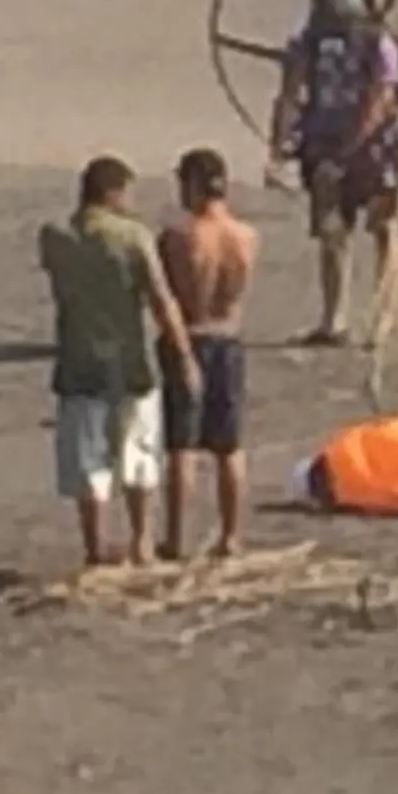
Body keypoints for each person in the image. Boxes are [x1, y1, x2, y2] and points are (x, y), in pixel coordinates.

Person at [37, 155, 199, 571]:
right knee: (139, 454)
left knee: (88, 459)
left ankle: (96, 544)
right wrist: (183, 357)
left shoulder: (55, 236)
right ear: (113, 192)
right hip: (130, 358)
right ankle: (141, 541)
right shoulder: (132, 236)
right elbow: (161, 300)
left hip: (78, 359)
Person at [264, 0, 398, 347]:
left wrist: (351, 143)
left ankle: (376, 321)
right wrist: (279, 147)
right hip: (336, 148)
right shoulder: (315, 45)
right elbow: (289, 95)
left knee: (379, 227)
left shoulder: (373, 45)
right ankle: (338, 321)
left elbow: (381, 96)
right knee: (336, 231)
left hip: (365, 149)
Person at [155, 147, 260, 561]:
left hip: (191, 335)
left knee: (182, 446)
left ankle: (177, 539)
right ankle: (231, 536)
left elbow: (164, 294)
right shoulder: (247, 237)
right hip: (229, 337)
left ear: (193, 185)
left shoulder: (180, 237)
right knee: (229, 446)